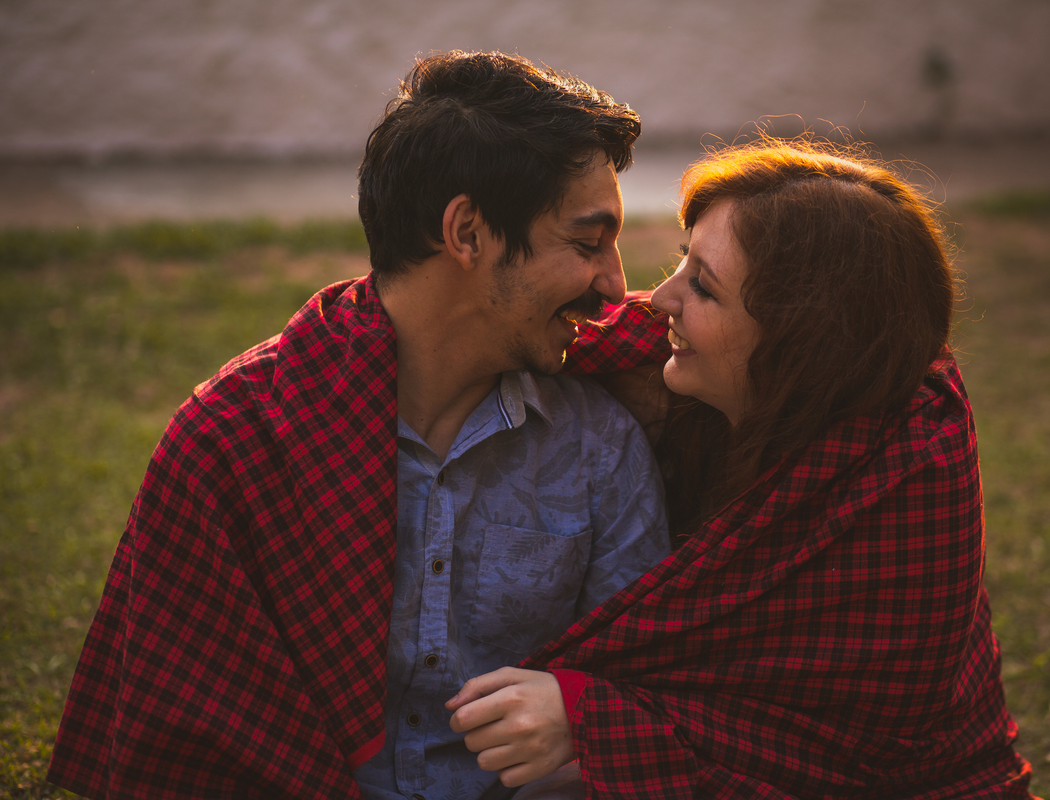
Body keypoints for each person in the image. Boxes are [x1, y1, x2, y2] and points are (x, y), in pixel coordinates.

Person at [47, 51, 669, 800]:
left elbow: (643, 698)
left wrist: (584, 721)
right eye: (586, 242)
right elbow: (188, 741)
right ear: (468, 232)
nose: (616, 286)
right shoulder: (236, 440)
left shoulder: (599, 445)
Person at [447, 141, 1037, 799]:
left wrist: (590, 718)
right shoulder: (695, 375)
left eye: (703, 285)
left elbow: (837, 755)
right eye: (682, 262)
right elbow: (507, 333)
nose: (659, 298)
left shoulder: (909, 475)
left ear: (796, 339)